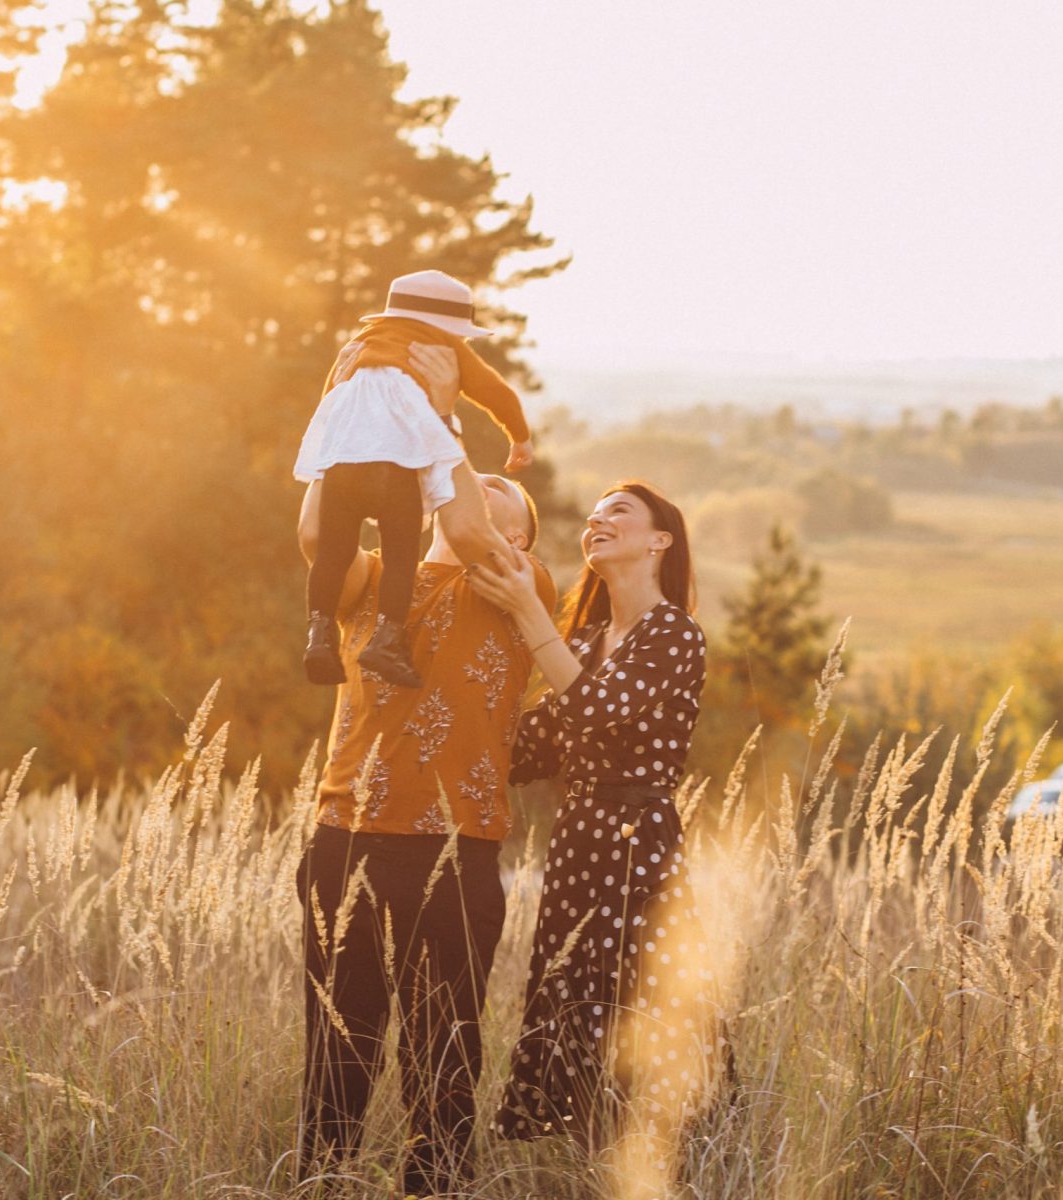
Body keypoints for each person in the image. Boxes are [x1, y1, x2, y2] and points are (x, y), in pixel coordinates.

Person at [293, 342, 556, 1196]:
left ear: (516, 532)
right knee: (338, 1046)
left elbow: (469, 518)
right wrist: (342, 411)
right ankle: (321, 1183)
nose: (456, 499)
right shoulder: (375, 585)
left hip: (455, 848)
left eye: (489, 497)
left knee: (444, 1052)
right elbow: (313, 534)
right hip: (347, 837)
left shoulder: (518, 583)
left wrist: (439, 418)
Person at [467, 480, 736, 1164]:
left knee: (641, 1007)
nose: (598, 519)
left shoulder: (673, 633)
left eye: (620, 510)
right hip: (577, 846)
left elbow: (591, 710)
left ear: (660, 540)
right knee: (574, 1010)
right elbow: (531, 748)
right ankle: (594, 1167)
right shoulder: (585, 640)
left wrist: (530, 614)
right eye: (594, 513)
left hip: (636, 844)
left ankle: (678, 1163)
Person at [294, 268, 534, 689]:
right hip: (394, 468)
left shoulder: (358, 347)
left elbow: (332, 401)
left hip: (344, 465)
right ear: (450, 327)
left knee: (334, 552)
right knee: (401, 557)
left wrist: (329, 457)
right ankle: (386, 641)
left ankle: (318, 634)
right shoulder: (444, 346)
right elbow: (496, 393)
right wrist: (520, 438)